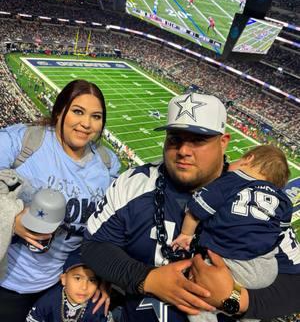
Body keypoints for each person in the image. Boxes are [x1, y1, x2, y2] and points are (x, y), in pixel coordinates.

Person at [82, 92, 300, 322]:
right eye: (175, 138)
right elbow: (94, 245)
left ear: (223, 142)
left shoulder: (257, 201)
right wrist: (147, 279)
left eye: (198, 140)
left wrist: (234, 298)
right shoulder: (134, 184)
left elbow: (295, 283)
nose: (184, 150)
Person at [0, 79, 120, 322]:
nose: (86, 124)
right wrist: (10, 220)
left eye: (96, 116)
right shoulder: (23, 142)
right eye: (78, 111)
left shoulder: (108, 165)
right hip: (6, 283)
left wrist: (104, 274)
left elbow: (113, 228)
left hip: (59, 288)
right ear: (58, 111)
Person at [171, 145, 292, 322]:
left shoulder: (233, 179)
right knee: (245, 302)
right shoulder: (283, 199)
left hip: (232, 262)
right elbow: (280, 230)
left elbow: (196, 209)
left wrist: (186, 234)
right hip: (267, 269)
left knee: (197, 293)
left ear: (249, 158)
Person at [26, 252, 108, 322]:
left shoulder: (97, 306)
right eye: (77, 278)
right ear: (64, 279)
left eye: (92, 280)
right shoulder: (49, 300)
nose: (84, 287)